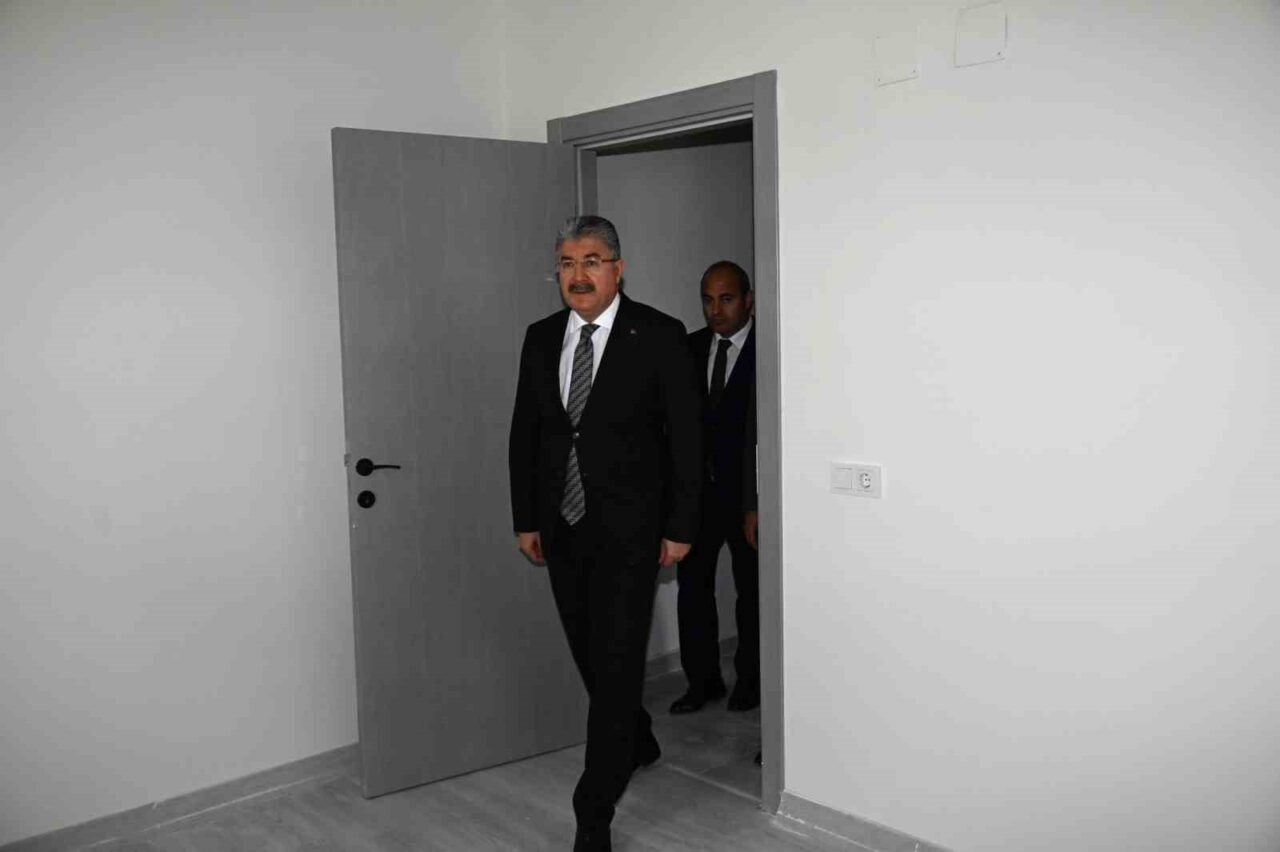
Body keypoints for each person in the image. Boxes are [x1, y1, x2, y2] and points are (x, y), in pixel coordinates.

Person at [508, 215, 701, 852]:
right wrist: (526, 517)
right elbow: (526, 433)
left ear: (618, 268)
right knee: (594, 657)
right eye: (567, 263)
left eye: (591, 261)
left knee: (615, 666)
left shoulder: (661, 335)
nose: (578, 275)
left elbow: (687, 440)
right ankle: (637, 738)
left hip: (633, 532)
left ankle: (593, 811)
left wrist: (680, 526)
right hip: (562, 528)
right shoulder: (541, 338)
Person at [670, 260, 760, 716]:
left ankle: (753, 681)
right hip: (697, 499)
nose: (715, 310)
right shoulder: (689, 348)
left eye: (726, 299)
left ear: (749, 301)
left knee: (753, 594)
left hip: (748, 500)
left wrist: (758, 501)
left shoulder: (770, 350)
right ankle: (702, 682)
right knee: (693, 592)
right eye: (707, 300)